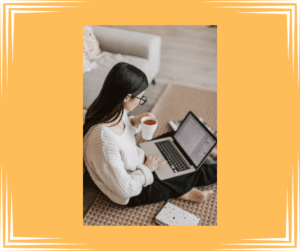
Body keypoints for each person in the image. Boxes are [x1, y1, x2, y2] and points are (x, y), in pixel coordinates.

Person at [83, 62, 217, 207]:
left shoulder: (112, 109)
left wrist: (134, 122)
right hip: (133, 188)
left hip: (137, 158)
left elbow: (120, 135)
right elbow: (126, 189)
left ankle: (177, 188)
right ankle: (181, 189)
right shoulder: (103, 141)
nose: (141, 103)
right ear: (127, 97)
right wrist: (147, 169)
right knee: (193, 170)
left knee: (173, 140)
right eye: (141, 98)